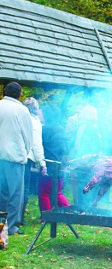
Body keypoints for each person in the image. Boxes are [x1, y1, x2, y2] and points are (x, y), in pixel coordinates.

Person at [0, 82, 33, 236]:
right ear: (19, 94)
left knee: (2, 192)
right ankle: (12, 226)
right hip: (14, 157)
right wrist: (25, 153)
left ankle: (1, 223)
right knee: (15, 194)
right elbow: (28, 135)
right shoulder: (22, 110)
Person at [20, 97, 47, 225]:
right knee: (23, 188)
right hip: (26, 157)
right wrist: (42, 163)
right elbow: (36, 144)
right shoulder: (35, 122)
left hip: (11, 156)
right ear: (35, 108)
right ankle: (19, 218)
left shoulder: (18, 117)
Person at [39, 106, 70, 212]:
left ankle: (46, 216)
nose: (40, 115)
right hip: (60, 164)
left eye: (42, 113)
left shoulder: (44, 129)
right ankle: (70, 211)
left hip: (49, 164)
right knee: (57, 192)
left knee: (44, 193)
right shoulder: (61, 128)